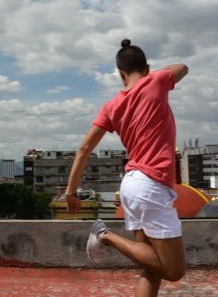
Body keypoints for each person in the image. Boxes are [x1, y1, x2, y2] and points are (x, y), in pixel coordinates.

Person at [65, 39, 188, 297]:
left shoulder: (111, 106)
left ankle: (105, 234)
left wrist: (71, 192)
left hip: (132, 183)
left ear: (120, 74)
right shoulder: (156, 81)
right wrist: (150, 74)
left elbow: (84, 149)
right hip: (151, 186)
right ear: (147, 67)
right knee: (174, 270)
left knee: (152, 268)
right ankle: (105, 235)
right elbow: (183, 67)